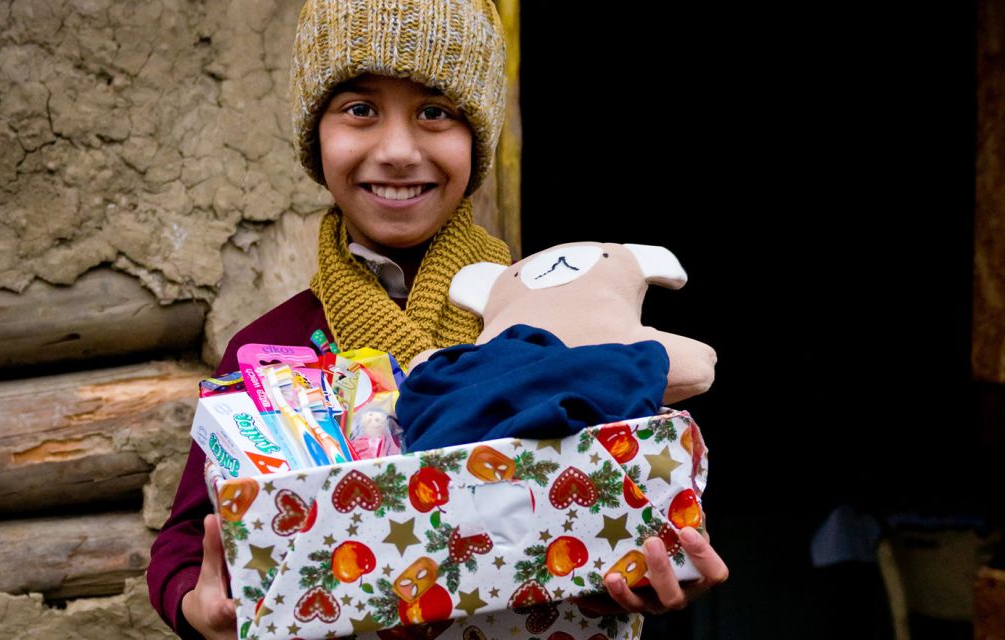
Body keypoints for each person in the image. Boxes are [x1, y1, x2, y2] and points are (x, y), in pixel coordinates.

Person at [147, 1, 728, 638]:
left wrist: (652, 562)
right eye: (360, 109)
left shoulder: (557, 318)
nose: (397, 151)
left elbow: (632, 490)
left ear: (477, 139)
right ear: (315, 134)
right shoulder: (271, 352)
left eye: (435, 111)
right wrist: (193, 603)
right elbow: (183, 542)